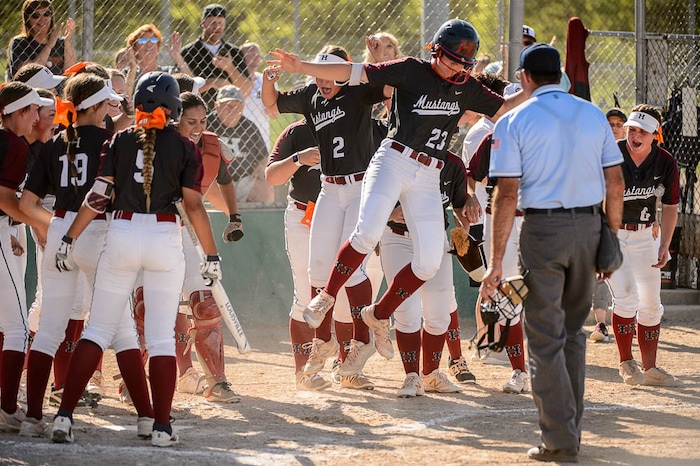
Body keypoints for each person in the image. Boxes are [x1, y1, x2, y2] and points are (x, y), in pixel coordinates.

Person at [269, 19, 523, 361]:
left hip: (429, 174)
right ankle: (327, 295)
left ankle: (379, 313)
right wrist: (300, 66)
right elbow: (353, 72)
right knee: (367, 232)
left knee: (430, 262)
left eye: (463, 63)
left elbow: (506, 107)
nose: (456, 68)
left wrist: (540, 88)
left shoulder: (466, 86)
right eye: (450, 59)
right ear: (434, 51)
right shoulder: (411, 70)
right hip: (394, 159)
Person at [49, 71, 220, 447]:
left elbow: (97, 196)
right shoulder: (184, 145)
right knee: (160, 339)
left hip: (122, 234)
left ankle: (63, 417)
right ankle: (160, 427)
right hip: (163, 238)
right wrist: (211, 253)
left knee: (97, 330)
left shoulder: (119, 140)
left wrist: (69, 238)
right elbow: (192, 205)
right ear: (175, 106)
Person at [481, 43, 624, 462]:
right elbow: (614, 183)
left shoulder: (514, 120)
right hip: (589, 226)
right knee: (573, 334)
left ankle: (560, 439)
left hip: (543, 229)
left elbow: (507, 196)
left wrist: (495, 261)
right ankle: (569, 430)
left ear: (524, 78)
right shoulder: (592, 113)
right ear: (560, 74)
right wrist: (608, 237)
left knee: (544, 337)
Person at [19, 74, 144, 437]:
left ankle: (32, 417)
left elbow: (27, 203)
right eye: (106, 103)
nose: (111, 108)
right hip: (99, 232)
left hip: (61, 230)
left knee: (47, 331)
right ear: (95, 106)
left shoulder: (55, 143)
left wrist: (58, 223)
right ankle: (148, 417)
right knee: (121, 330)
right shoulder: (112, 141)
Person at [263, 45, 390, 389]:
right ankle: (324, 341)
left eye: (329, 74)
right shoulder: (310, 96)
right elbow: (273, 104)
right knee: (317, 271)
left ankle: (362, 343)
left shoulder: (359, 92)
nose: (322, 80)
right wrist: (268, 80)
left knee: (351, 272)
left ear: (344, 72)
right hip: (329, 190)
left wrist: (374, 62)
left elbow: (390, 84)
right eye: (317, 73)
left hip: (360, 187)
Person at [379, 149, 472, 397]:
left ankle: (430, 374)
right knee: (407, 311)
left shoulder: (453, 164)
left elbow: (460, 205)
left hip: (434, 239)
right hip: (398, 239)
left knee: (439, 311)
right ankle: (411, 376)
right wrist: (389, 214)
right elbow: (367, 201)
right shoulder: (397, 159)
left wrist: (465, 227)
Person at [608, 105, 682, 388]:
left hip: (645, 237)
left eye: (643, 131)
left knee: (651, 304)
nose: (635, 135)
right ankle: (626, 362)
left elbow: (670, 205)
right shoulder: (611, 154)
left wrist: (665, 244)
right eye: (632, 129)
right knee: (626, 298)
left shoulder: (664, 161)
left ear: (655, 135)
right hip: (612, 235)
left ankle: (650, 367)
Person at [0, 82, 54, 432]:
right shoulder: (14, 144)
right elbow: (5, 200)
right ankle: (7, 409)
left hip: (7, 232)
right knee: (18, 327)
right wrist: (44, 223)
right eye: (33, 110)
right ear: (19, 113)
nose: (37, 117)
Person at [461, 73, 511, 366]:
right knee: (490, 281)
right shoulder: (482, 131)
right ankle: (487, 341)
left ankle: (494, 339)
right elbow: (476, 176)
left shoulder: (493, 127)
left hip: (495, 214)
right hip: (483, 214)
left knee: (502, 281)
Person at [589, 108, 630, 342]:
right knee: (602, 269)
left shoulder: (633, 152)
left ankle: (629, 319)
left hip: (633, 222)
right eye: (610, 124)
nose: (615, 128)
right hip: (603, 219)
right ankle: (601, 323)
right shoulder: (596, 150)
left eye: (619, 124)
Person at [181, 4, 251, 109]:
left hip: (228, 114)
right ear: (203, 22)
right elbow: (182, 90)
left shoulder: (234, 52)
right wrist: (211, 83)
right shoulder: (188, 52)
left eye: (220, 23)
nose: (217, 27)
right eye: (213, 22)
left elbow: (246, 89)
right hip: (196, 112)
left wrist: (230, 68)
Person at [207, 85, 268, 190]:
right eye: (228, 105)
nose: (232, 110)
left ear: (243, 107)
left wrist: (260, 167)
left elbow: (264, 156)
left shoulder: (249, 127)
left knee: (265, 190)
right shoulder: (207, 124)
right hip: (214, 180)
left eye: (237, 106)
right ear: (217, 106)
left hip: (244, 180)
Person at [121, 24, 194, 100]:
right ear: (134, 48)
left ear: (158, 47)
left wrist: (177, 57)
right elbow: (125, 98)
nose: (149, 44)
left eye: (153, 40)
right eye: (143, 40)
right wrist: (133, 68)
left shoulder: (168, 71)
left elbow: (193, 86)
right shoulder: (128, 73)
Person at [6, 0, 76, 79]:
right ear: (27, 19)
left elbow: (71, 76)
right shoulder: (20, 43)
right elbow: (29, 76)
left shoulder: (61, 43)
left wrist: (67, 41)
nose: (42, 19)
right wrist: (50, 44)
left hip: (58, 90)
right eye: (35, 15)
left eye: (46, 14)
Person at [240, 42, 275, 149]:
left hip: (261, 135)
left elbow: (273, 114)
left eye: (257, 56)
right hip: (239, 133)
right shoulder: (235, 79)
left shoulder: (266, 79)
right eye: (250, 56)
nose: (255, 59)